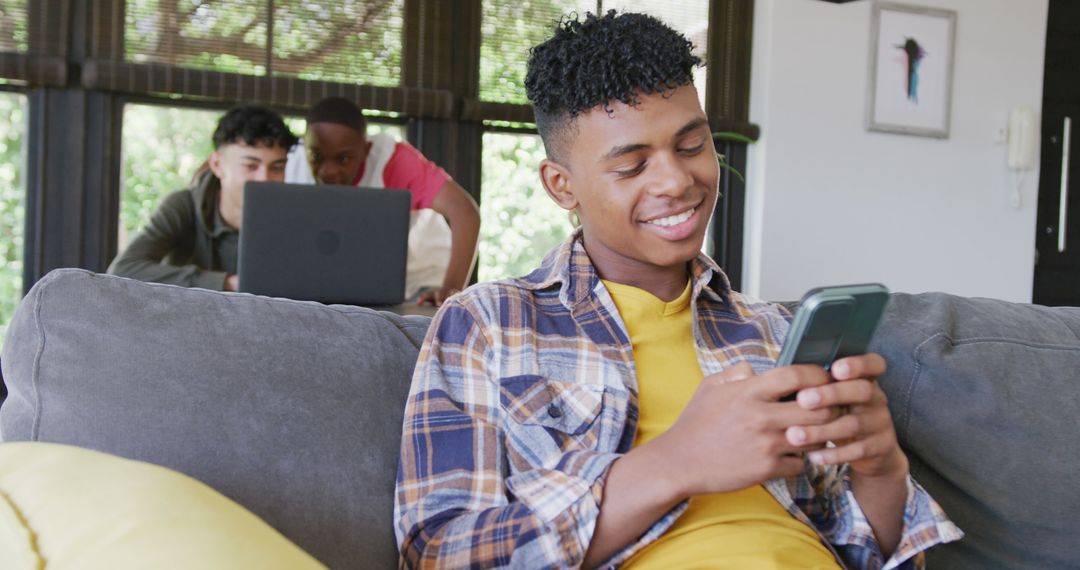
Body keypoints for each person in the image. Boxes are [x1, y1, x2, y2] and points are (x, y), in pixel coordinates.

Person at [394, 11, 962, 569]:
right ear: (561, 185)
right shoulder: (489, 323)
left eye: (691, 146)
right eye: (632, 165)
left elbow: (865, 549)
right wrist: (674, 463)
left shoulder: (773, 333)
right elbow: (438, 553)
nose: (676, 181)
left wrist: (881, 469)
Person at [285, 98, 481, 306]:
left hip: (420, 283)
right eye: (316, 156)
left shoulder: (395, 162)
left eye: (343, 159)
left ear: (366, 150)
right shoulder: (288, 161)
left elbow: (465, 212)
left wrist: (451, 288)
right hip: (350, 282)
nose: (328, 171)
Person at [108, 105, 297, 291]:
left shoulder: (292, 216)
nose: (264, 179)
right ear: (217, 164)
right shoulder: (183, 205)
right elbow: (122, 270)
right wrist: (228, 283)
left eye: (277, 167)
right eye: (250, 166)